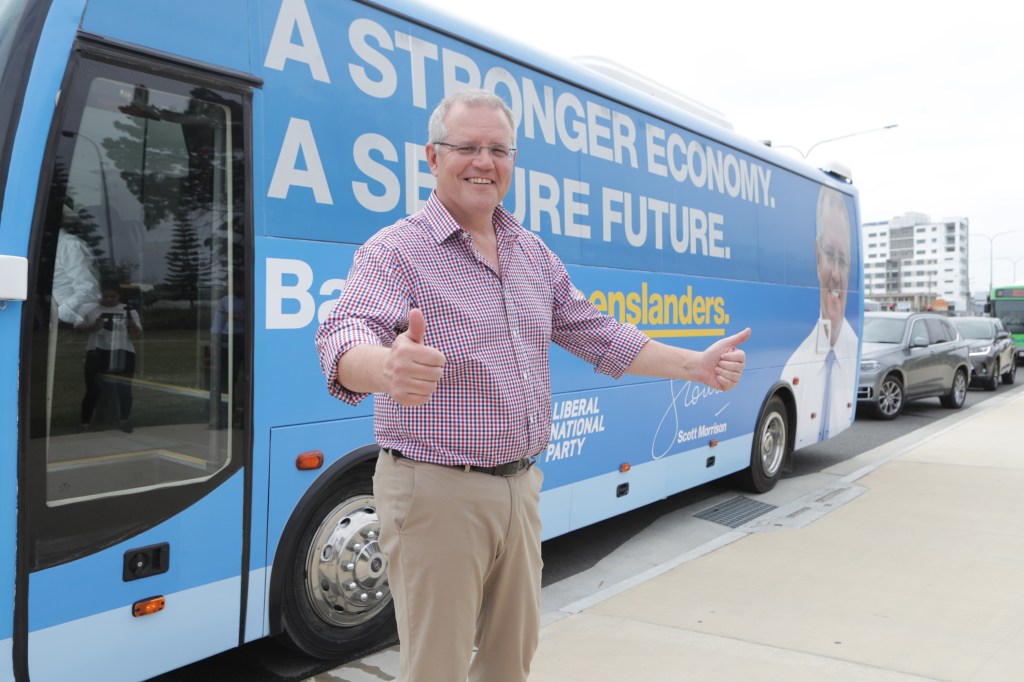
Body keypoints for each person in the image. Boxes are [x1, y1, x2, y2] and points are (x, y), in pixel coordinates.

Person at [315, 89, 750, 682]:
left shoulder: (531, 253)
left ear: (513, 161)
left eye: (498, 149)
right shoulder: (396, 251)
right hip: (435, 491)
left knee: (510, 663)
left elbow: (599, 334)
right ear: (431, 156)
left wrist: (696, 366)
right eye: (466, 146)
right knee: (435, 669)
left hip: (520, 487)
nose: (483, 162)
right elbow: (343, 333)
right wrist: (386, 368)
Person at [781, 185, 858, 448]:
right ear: (816, 257)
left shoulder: (854, 353)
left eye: (843, 260)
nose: (836, 274)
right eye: (829, 255)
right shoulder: (792, 367)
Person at [78, 280, 142, 433]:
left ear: (119, 296)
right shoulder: (90, 308)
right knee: (92, 388)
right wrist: (95, 326)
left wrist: (131, 324)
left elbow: (138, 334)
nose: (108, 300)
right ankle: (85, 422)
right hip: (97, 350)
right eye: (105, 297)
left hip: (123, 350)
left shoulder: (129, 310)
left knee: (124, 388)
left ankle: (124, 420)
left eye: (113, 297)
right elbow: (78, 328)